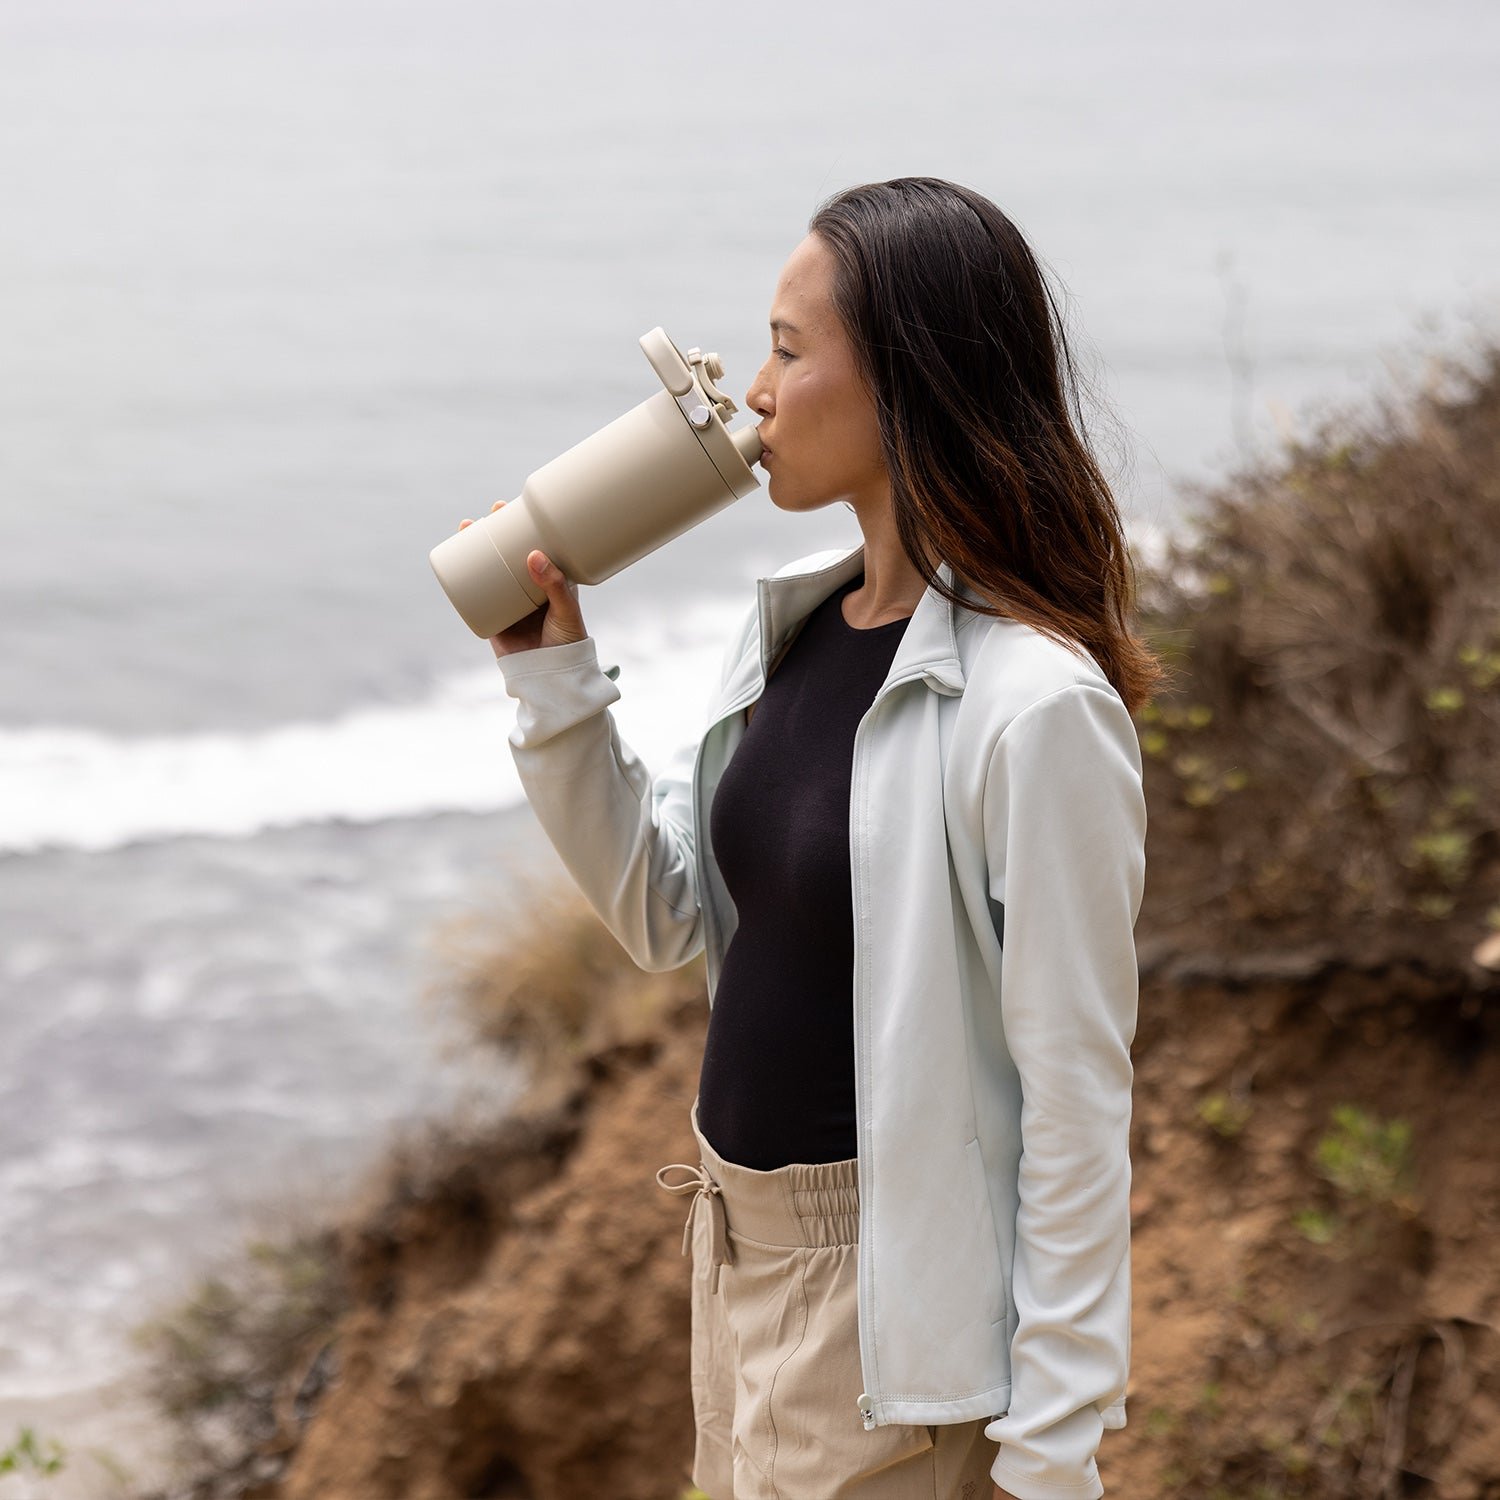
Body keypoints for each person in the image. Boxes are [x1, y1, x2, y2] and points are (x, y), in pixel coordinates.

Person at [456, 176, 1160, 1500]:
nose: (756, 397)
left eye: (787, 349)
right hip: (733, 1256)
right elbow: (668, 914)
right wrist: (551, 683)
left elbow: (1076, 1101)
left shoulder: (1032, 707)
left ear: (906, 377)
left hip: (892, 1309)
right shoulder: (793, 630)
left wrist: (1051, 1459)